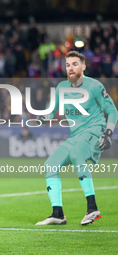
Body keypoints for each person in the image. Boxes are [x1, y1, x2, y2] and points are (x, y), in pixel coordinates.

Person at [36, 51, 118, 226]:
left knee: (76, 155)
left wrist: (108, 132)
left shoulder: (94, 86)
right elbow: (53, 109)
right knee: (50, 165)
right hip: (77, 136)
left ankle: (92, 208)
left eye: (74, 64)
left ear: (83, 66)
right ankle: (57, 214)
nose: (70, 68)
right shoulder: (61, 88)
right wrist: (44, 117)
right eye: (67, 65)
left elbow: (112, 111)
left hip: (95, 131)